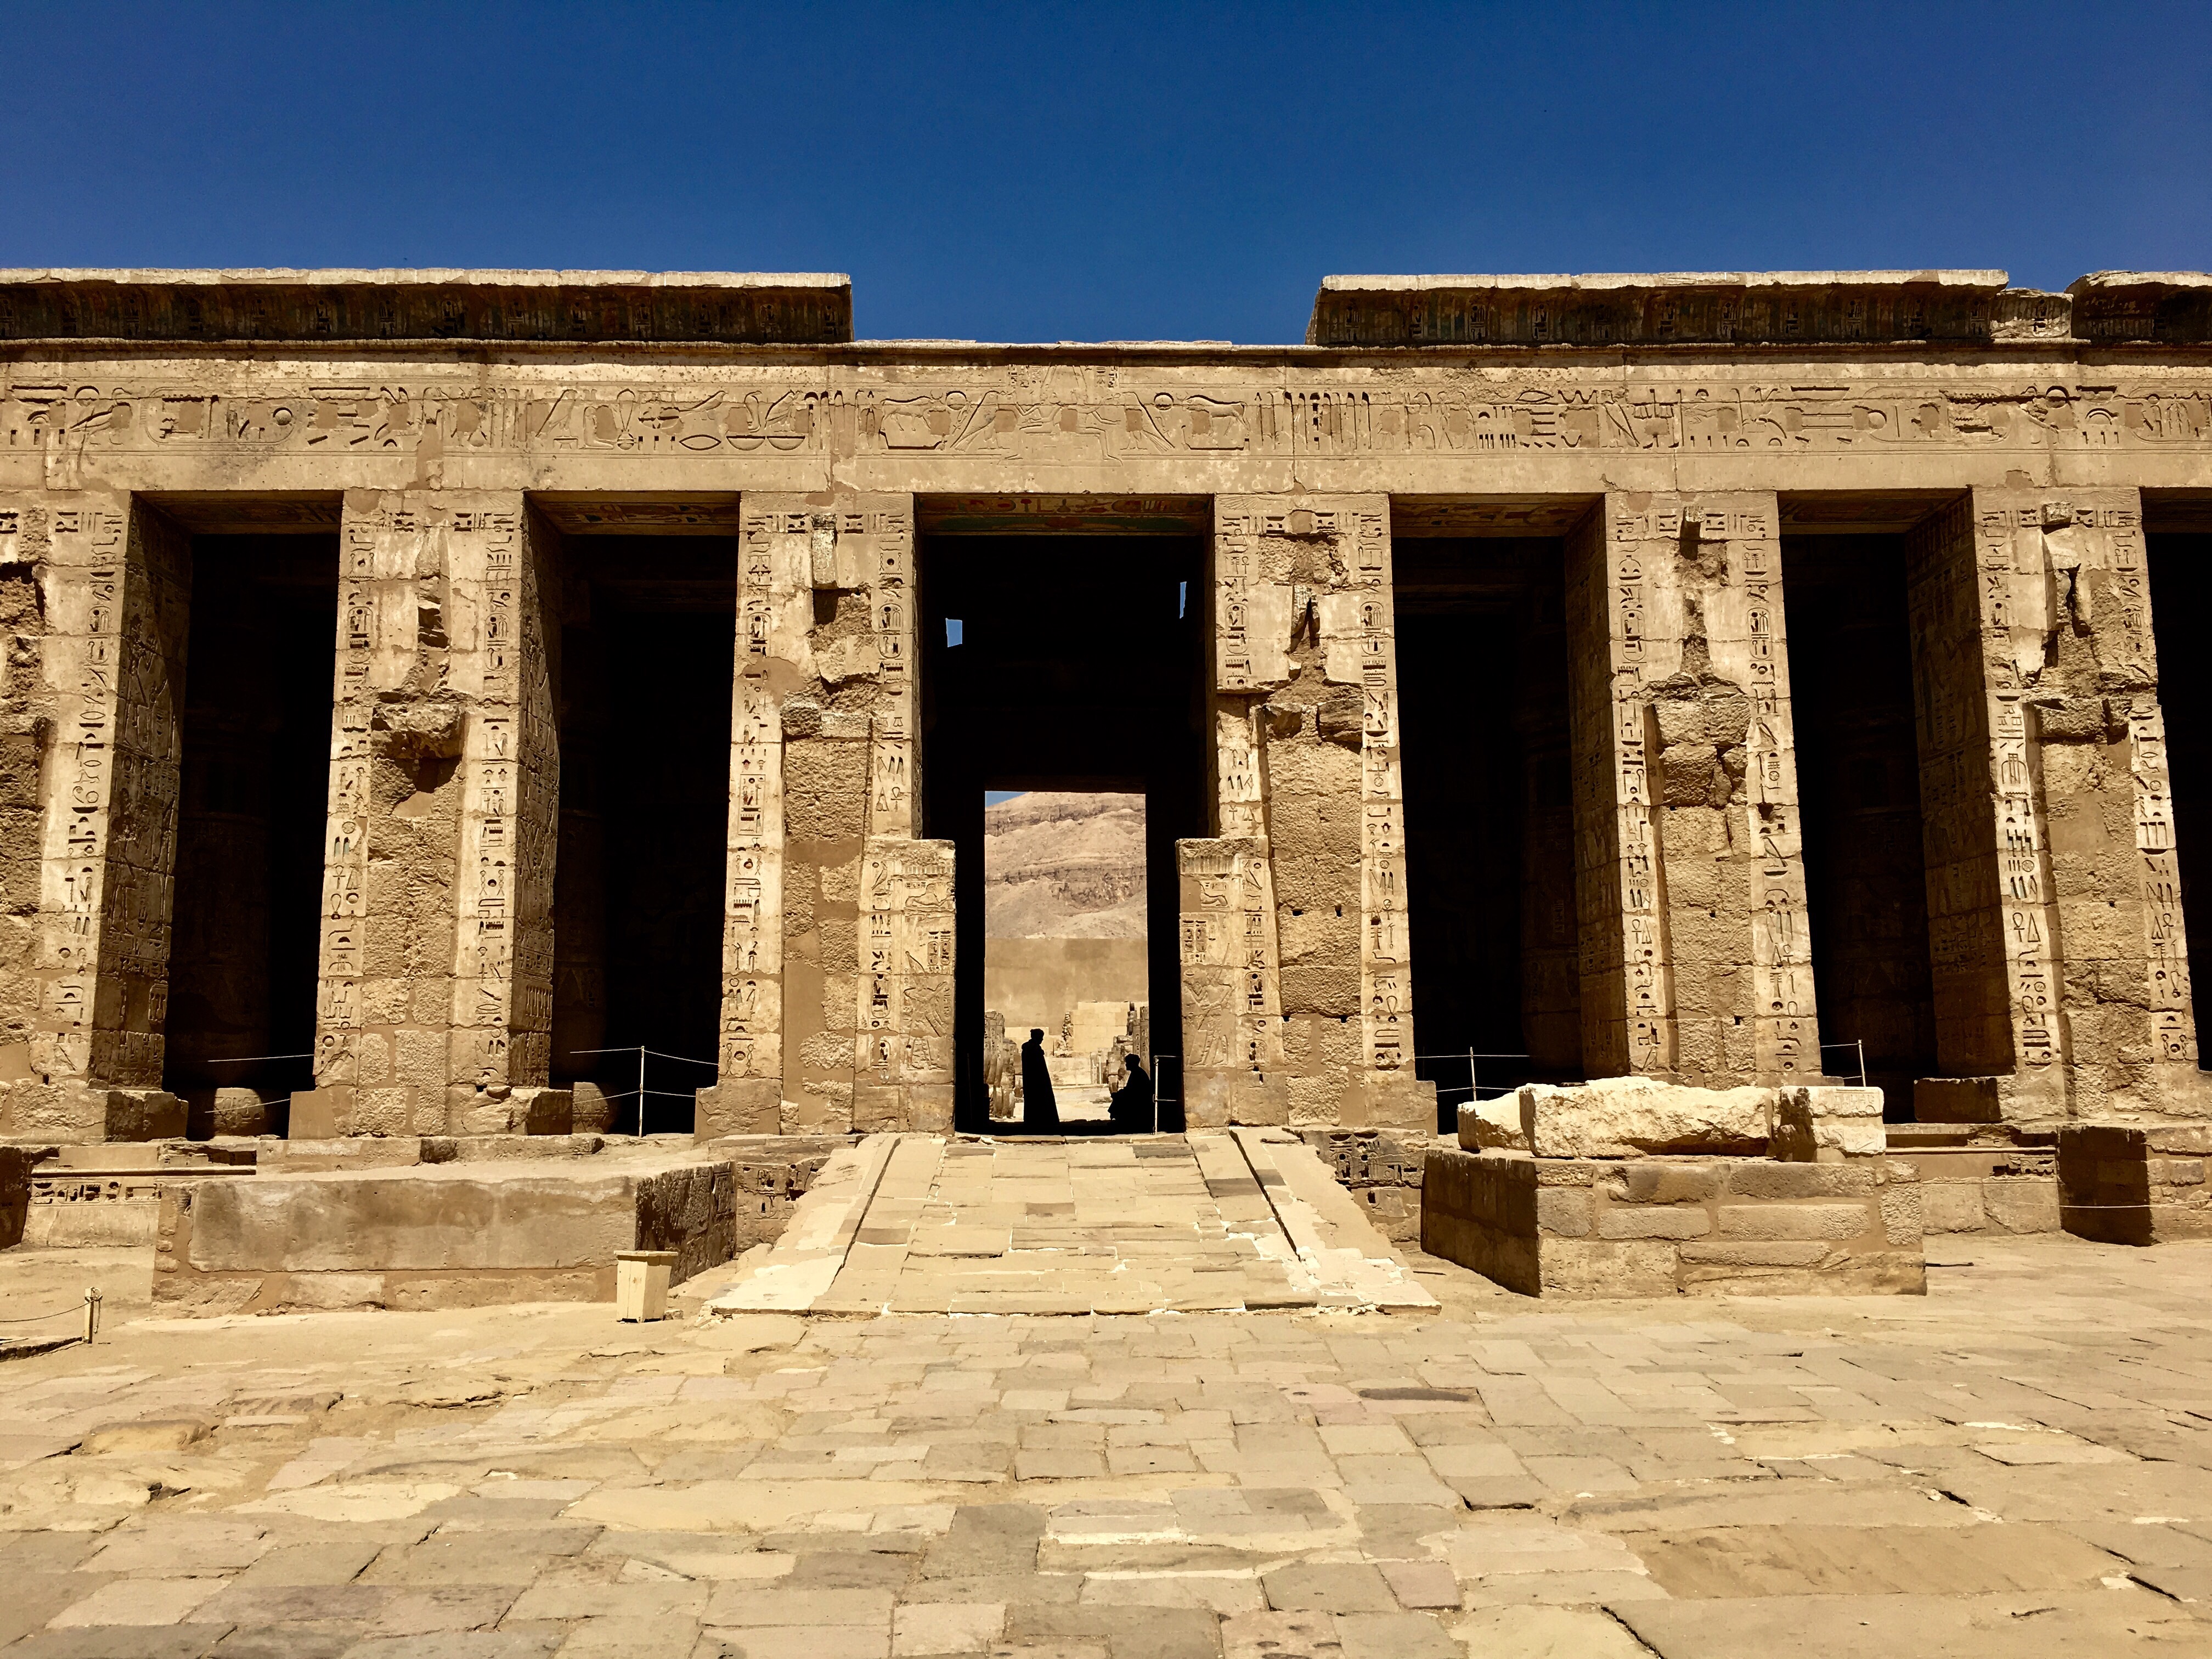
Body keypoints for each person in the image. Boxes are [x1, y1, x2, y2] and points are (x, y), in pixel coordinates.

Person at [1020, 1028, 1059, 1131]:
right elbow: (1038, 1067)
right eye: (1041, 1038)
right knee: (1040, 1101)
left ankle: (1033, 1121)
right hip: (1037, 1080)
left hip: (1031, 1080)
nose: (1042, 1040)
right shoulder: (1034, 1049)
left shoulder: (1029, 1048)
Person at [1108, 1053, 1154, 1133]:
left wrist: (1119, 1094)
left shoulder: (1138, 1073)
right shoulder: (1136, 1072)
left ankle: (1122, 1121)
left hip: (1140, 1099)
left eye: (1128, 1063)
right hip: (1136, 1096)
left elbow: (1133, 1091)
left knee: (1120, 1099)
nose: (1126, 1065)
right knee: (1119, 1096)